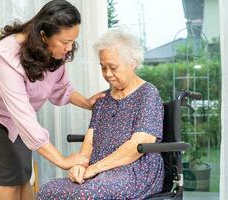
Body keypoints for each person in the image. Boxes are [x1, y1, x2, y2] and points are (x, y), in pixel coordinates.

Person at [0, 1, 104, 199]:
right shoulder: (7, 56)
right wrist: (63, 161)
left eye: (73, 41)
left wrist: (87, 102)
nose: (70, 48)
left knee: (23, 175)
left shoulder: (54, 51)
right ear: (43, 35)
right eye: (65, 42)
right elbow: (25, 119)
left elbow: (60, 87)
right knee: (10, 179)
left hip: (17, 114)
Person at [36, 29, 165, 199]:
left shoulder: (147, 94)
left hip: (135, 171)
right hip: (99, 172)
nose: (108, 74)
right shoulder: (103, 100)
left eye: (113, 67)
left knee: (86, 193)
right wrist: (80, 165)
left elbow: (137, 146)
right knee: (47, 190)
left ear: (132, 63)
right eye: (103, 67)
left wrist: (93, 169)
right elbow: (89, 143)